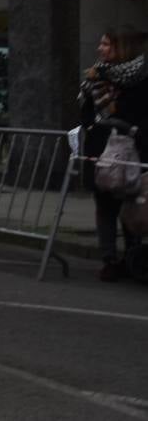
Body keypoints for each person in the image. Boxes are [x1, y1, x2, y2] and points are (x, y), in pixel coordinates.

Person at [77, 26, 148, 282]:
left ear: (121, 47)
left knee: (131, 206)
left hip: (133, 150)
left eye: (106, 44)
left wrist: (133, 130)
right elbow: (85, 114)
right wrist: (94, 127)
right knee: (105, 206)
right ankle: (109, 258)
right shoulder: (95, 77)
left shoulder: (140, 78)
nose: (100, 49)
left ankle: (133, 256)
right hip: (101, 151)